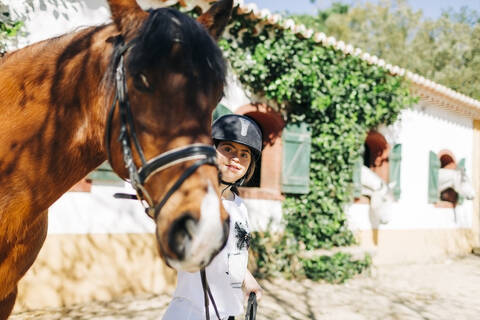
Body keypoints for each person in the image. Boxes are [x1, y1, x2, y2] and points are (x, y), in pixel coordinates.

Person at [162, 114, 264, 320]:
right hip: (191, 312)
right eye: (228, 149)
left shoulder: (239, 206)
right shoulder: (195, 199)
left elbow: (234, 253)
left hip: (228, 313)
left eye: (245, 154)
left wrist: (248, 279)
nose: (236, 158)